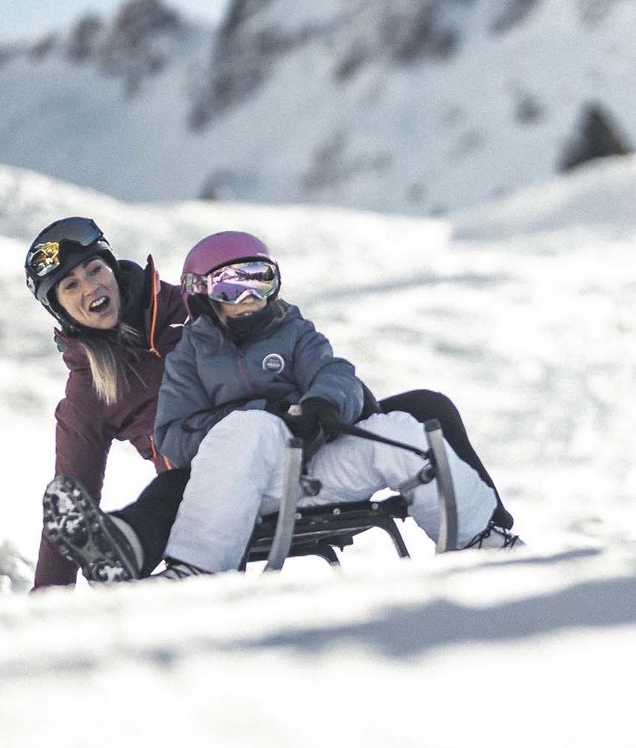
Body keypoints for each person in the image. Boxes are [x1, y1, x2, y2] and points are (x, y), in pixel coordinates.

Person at [146, 231, 520, 578]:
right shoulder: (188, 359)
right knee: (250, 426)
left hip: (316, 473)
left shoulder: (292, 330)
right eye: (229, 287)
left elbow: (333, 371)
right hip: (251, 487)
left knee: (397, 430)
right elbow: (172, 437)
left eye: (260, 281)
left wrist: (323, 405)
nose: (248, 298)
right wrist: (261, 415)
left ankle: (478, 539)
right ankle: (196, 569)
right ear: (198, 295)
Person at [22, 216, 191, 590]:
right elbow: (70, 501)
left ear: (112, 268)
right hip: (193, 492)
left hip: (267, 447)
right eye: (70, 285)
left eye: (95, 269)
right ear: (59, 309)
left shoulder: (188, 310)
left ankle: (125, 543)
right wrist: (46, 600)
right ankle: (120, 548)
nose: (91, 286)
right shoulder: (90, 389)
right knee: (180, 487)